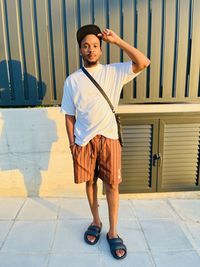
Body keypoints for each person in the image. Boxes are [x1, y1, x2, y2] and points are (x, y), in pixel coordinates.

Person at [61, 24, 150, 260]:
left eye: (95, 46)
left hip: (110, 138)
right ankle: (96, 221)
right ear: (80, 49)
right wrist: (72, 145)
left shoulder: (114, 72)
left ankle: (113, 231)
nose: (91, 50)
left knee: (112, 185)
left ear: (101, 50)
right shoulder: (72, 81)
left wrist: (118, 41)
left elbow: (143, 62)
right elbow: (69, 116)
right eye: (86, 46)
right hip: (84, 141)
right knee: (89, 183)